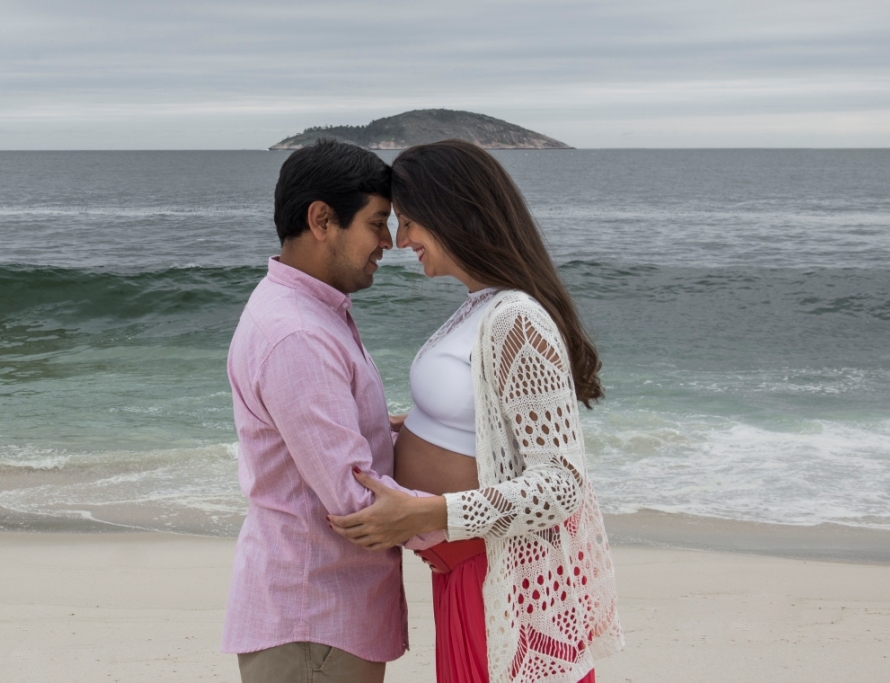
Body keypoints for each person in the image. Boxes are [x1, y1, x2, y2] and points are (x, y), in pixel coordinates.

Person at [329, 140, 625, 683]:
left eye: (411, 221)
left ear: (455, 214)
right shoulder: (480, 305)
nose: (400, 240)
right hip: (466, 571)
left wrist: (429, 514)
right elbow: (479, 423)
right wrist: (411, 429)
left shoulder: (516, 318)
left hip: (497, 571)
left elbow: (562, 486)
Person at [222, 139, 439, 683]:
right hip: (314, 622)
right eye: (377, 223)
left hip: (321, 616)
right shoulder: (297, 333)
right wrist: (473, 518)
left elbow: (327, 443)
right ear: (322, 220)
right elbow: (357, 502)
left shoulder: (311, 312)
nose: (388, 243)